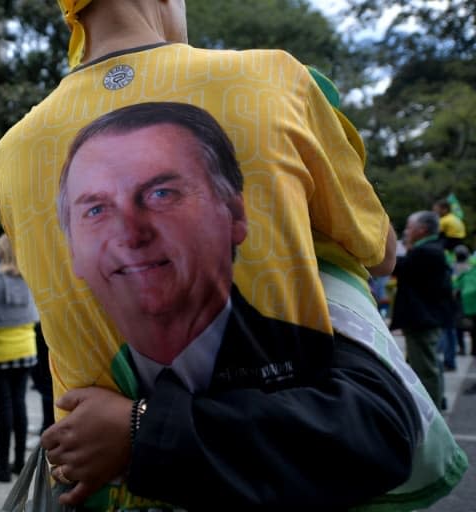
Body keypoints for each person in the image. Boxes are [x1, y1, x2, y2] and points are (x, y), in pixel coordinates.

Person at [41, 102, 422, 509]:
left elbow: (379, 432)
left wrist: (142, 428)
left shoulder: (307, 317)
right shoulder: (82, 364)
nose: (131, 234)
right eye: (96, 210)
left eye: (161, 194)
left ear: (236, 214)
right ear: (73, 252)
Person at [0, 233, 39, 483]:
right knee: (19, 404)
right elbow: (35, 316)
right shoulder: (30, 278)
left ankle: (1, 465)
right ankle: (19, 461)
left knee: (4, 408)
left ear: (0, 252)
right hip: (25, 350)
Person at [391, 211, 457, 410]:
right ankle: (435, 403)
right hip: (426, 318)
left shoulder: (426, 251)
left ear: (422, 229)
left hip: (422, 319)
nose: (406, 231)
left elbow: (396, 266)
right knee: (427, 365)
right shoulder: (431, 249)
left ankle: (432, 410)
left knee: (426, 369)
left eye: (409, 227)